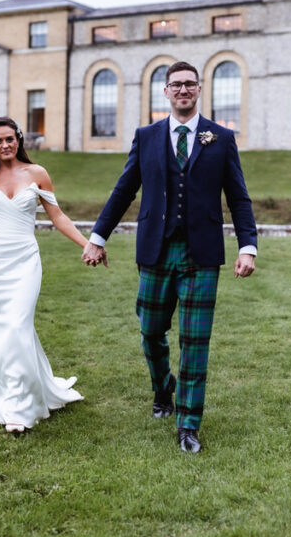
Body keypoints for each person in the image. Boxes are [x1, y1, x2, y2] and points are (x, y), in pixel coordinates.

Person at [82, 61, 257, 453]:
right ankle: (163, 387)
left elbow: (238, 197)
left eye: (189, 84)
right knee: (150, 331)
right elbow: (124, 190)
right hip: (155, 250)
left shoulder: (221, 138)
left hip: (202, 254)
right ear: (165, 91)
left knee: (195, 341)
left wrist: (247, 246)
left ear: (199, 89)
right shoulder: (146, 137)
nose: (183, 90)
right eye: (176, 85)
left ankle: (188, 423)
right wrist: (97, 237)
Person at [0, 117, 87, 434]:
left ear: (19, 140)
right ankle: (17, 393)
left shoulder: (37, 174)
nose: (5, 145)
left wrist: (87, 244)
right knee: (3, 330)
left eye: (10, 139)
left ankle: (19, 409)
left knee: (18, 325)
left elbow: (58, 216)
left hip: (25, 262)